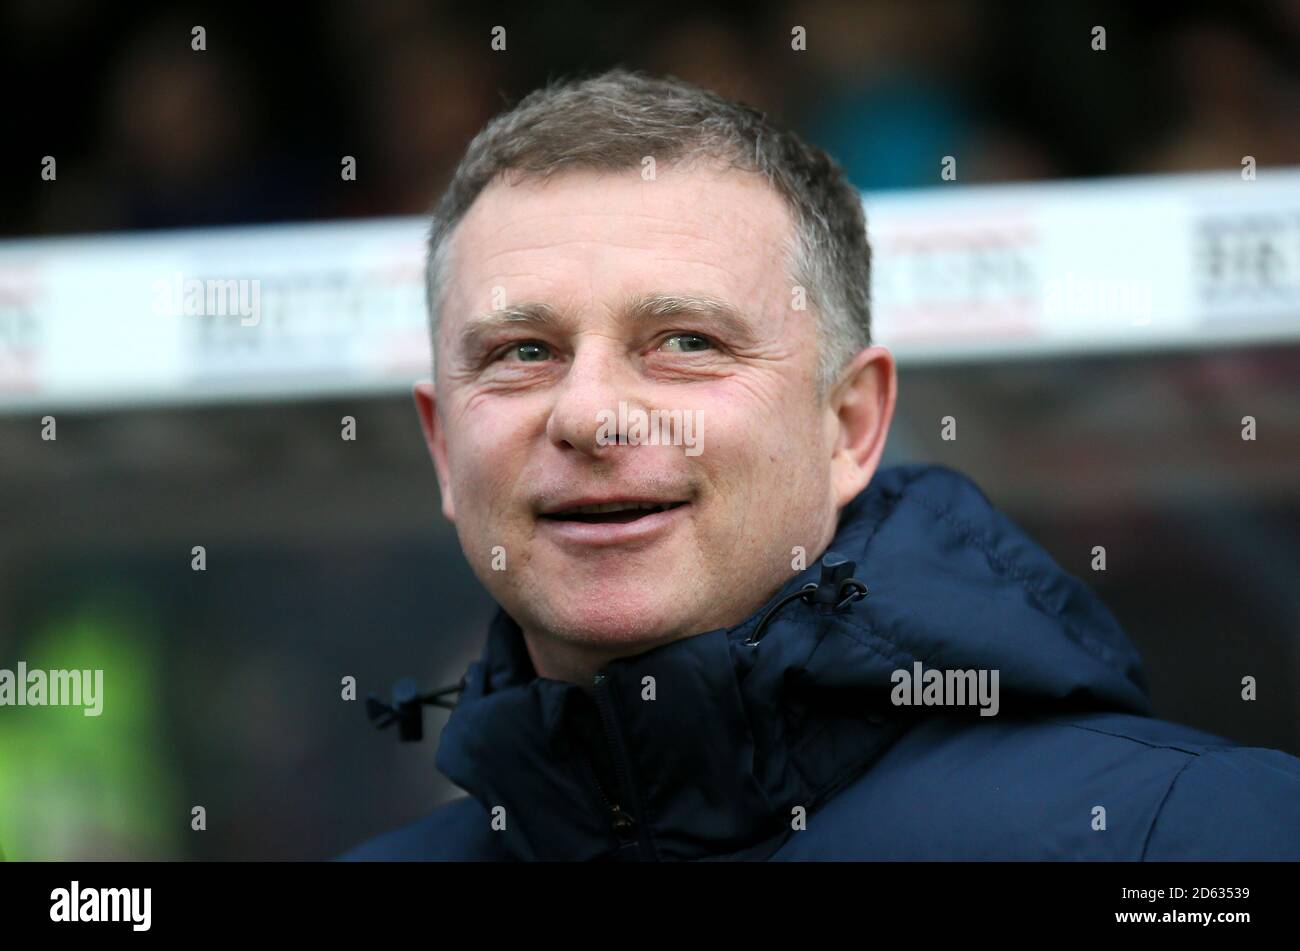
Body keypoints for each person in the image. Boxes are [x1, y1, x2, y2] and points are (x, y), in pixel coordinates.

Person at [343, 70, 1300, 861]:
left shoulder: (1193, 840)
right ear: (442, 446)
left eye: (684, 340)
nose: (590, 414)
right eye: (522, 352)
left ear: (851, 424)